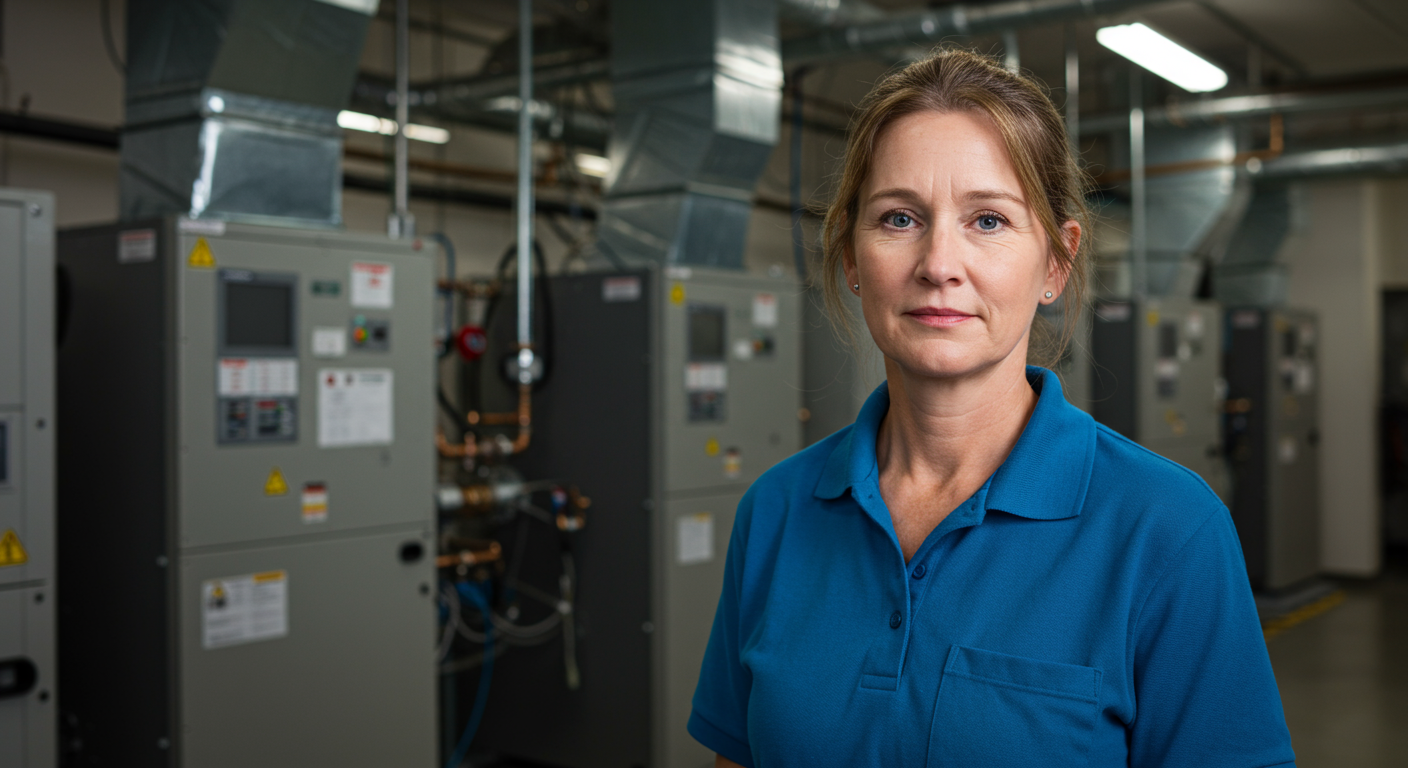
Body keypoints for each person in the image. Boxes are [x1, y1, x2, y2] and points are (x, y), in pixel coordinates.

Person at [687, 48, 1295, 767]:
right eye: (900, 218)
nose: (939, 263)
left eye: (988, 221)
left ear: (1055, 264)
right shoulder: (778, 512)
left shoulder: (1167, 531)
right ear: (851, 256)